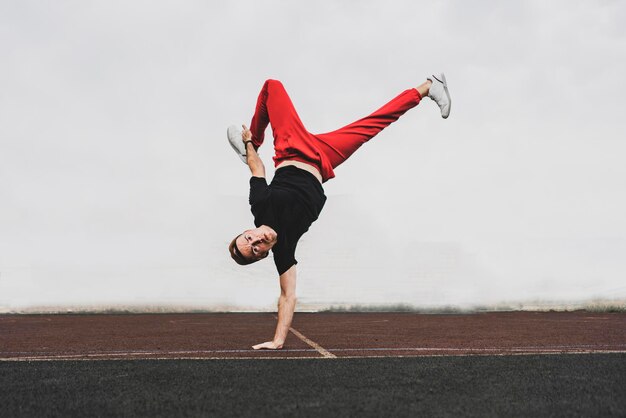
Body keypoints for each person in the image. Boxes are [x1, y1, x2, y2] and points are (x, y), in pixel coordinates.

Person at [227, 74, 451, 349]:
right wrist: (277, 341)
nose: (255, 241)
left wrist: (250, 143)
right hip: (323, 159)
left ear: (248, 231)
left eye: (248, 238)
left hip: (293, 148)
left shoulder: (260, 206)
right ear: (261, 256)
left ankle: (256, 137)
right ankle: (429, 87)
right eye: (255, 249)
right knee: (373, 125)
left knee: (272, 86)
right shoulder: (283, 250)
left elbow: (257, 169)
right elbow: (288, 296)